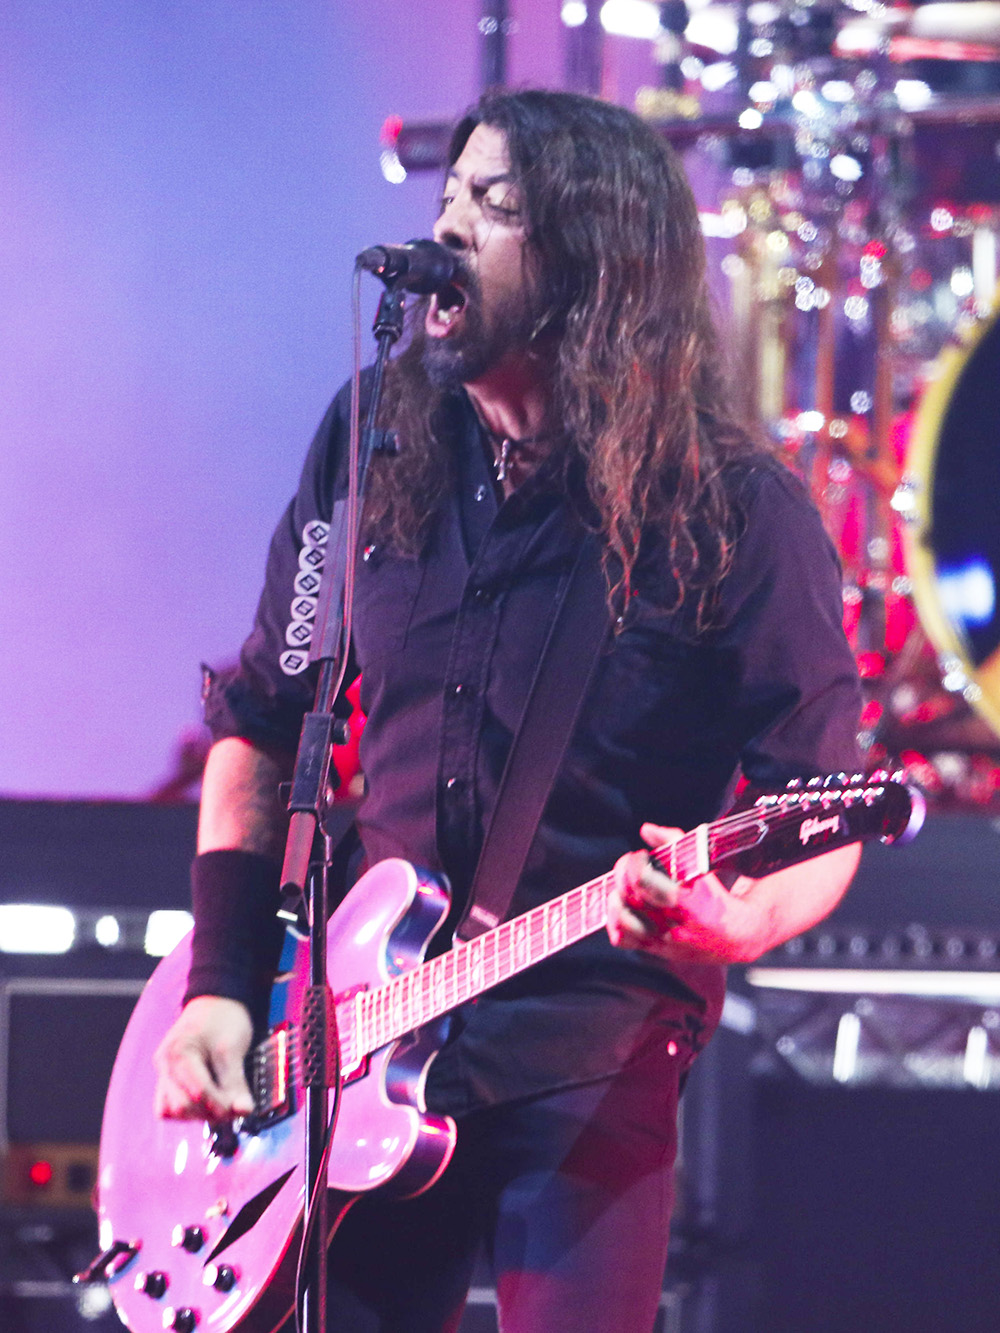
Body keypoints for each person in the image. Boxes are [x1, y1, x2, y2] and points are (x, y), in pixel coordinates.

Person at [153, 89, 863, 1333]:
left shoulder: (736, 510)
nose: (449, 233)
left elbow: (824, 807)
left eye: (495, 207)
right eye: (445, 202)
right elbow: (264, 719)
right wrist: (221, 984)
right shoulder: (375, 436)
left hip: (587, 1045)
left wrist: (730, 922)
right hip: (350, 1045)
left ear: (592, 260)